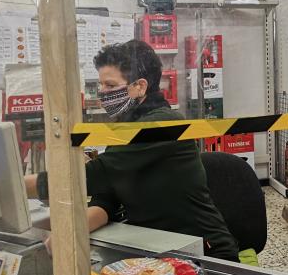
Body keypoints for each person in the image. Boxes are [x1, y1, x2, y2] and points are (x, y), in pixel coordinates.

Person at [25, 39, 239, 262]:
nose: (102, 93)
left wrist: (19, 187)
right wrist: (70, 231)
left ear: (140, 87)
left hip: (206, 254)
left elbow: (93, 176)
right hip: (159, 249)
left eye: (110, 86)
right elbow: (105, 198)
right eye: (101, 85)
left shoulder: (162, 124)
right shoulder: (125, 129)